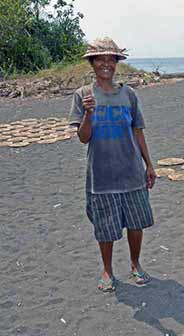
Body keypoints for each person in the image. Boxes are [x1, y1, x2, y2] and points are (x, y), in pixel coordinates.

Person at [68, 37, 156, 292]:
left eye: (111, 59)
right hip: (101, 176)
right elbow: (84, 138)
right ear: (92, 63)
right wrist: (88, 113)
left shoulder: (129, 94)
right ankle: (107, 270)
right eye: (100, 59)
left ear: (116, 63)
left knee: (136, 223)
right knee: (105, 228)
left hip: (131, 172)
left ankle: (135, 263)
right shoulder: (83, 95)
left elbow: (138, 131)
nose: (106, 64)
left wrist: (149, 165)